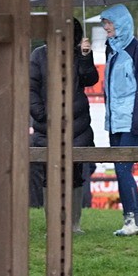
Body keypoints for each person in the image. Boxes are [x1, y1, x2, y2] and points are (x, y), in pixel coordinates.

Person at [29, 18, 100, 233]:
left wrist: (87, 56)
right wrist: (41, 115)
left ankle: (74, 224)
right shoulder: (38, 55)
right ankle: (53, 223)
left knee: (76, 173)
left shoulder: (79, 54)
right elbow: (30, 87)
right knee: (48, 174)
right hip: (47, 126)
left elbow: (90, 79)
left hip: (77, 126)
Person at [100, 4, 138, 236]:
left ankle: (135, 220)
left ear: (121, 23)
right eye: (104, 24)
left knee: (123, 169)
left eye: (109, 23)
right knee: (120, 169)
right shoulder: (110, 51)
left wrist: (137, 123)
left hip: (133, 123)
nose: (106, 28)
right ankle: (129, 220)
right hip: (115, 123)